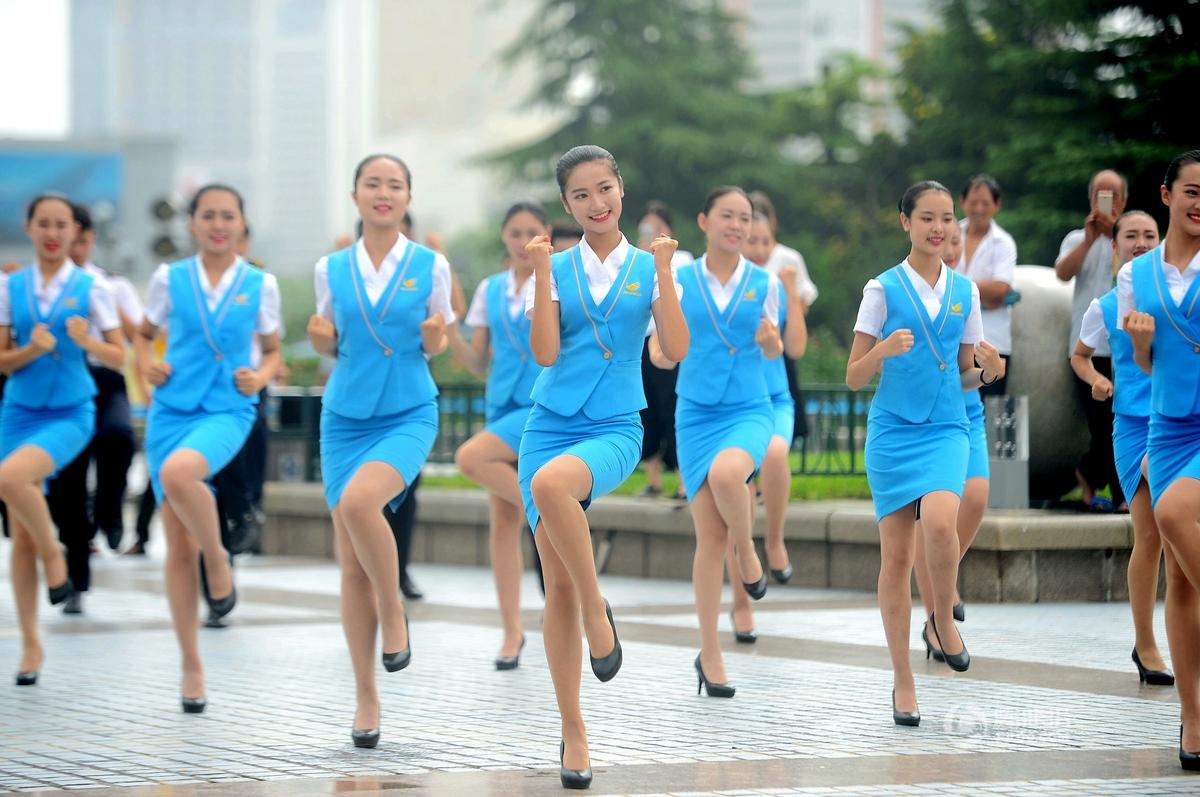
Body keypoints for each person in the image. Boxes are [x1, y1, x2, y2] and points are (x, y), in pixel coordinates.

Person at [521, 145, 688, 789]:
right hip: (548, 425)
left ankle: (598, 612)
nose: (597, 203)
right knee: (556, 586)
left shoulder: (650, 267)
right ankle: (574, 732)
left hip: (616, 426)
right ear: (567, 206)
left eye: (605, 188)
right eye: (581, 195)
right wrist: (541, 273)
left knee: (551, 486)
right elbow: (543, 354)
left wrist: (665, 273)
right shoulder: (554, 267)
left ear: (622, 189)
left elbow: (674, 348)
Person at [307, 154, 452, 750]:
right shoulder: (330, 267)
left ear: (407, 197)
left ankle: (393, 611)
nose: (383, 192)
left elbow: (440, 338)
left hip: (408, 411)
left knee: (360, 504)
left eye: (395, 184)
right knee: (349, 564)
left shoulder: (430, 264)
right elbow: (328, 341)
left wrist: (436, 337)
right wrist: (320, 340)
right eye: (373, 184)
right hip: (344, 417)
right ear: (356, 195)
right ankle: (366, 697)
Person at [846, 181, 1003, 726]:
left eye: (946, 218)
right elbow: (853, 375)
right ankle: (903, 680)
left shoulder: (966, 291)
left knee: (940, 521)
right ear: (906, 222)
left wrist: (989, 371)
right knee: (895, 559)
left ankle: (941, 617)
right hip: (893, 434)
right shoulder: (882, 289)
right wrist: (883, 350)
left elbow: (964, 374)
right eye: (927, 218)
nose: (938, 228)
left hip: (946, 428)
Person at [135, 184, 282, 713]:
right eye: (209, 216)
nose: (219, 225)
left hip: (227, 409)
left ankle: (217, 558)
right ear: (192, 223)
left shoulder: (260, 283)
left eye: (228, 216)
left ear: (241, 223)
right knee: (177, 546)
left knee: (179, 475)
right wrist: (147, 365)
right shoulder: (168, 278)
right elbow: (143, 335)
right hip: (170, 410)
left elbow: (273, 351)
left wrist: (259, 376)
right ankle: (191, 668)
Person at [650, 187, 797, 696]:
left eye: (744, 218)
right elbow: (661, 347)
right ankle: (709, 654)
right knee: (708, 539)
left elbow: (776, 349)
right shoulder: (679, 279)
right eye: (727, 216)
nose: (737, 225)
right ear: (704, 221)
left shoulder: (765, 282)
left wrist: (771, 343)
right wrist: (662, 353)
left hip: (749, 409)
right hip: (694, 415)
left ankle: (748, 548)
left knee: (728, 473)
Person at [1, 194, 124, 685]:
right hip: (18, 413)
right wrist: (31, 349)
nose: (53, 233)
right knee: (21, 534)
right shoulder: (10, 286)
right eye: (44, 223)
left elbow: (120, 357)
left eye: (61, 225)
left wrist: (86, 341)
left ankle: (56, 553)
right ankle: (31, 644)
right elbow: (1, 360)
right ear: (29, 227)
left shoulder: (94, 287)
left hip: (72, 411)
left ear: (75, 232)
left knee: (8, 479)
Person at [1117, 150, 1200, 770]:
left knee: (1170, 513)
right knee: (1180, 581)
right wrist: (1142, 342)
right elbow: (1144, 365)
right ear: (1168, 194)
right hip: (1166, 427)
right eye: (1192, 191)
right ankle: (1193, 720)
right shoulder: (1134, 275)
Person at [1072, 210, 1171, 685]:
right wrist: (1095, 379)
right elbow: (1079, 355)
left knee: (1160, 534)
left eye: (1149, 235)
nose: (1141, 243)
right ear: (1114, 247)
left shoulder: (1177, 298)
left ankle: (1155, 643)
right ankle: (1147, 643)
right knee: (1152, 535)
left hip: (1180, 422)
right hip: (1134, 429)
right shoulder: (1105, 306)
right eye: (1131, 235)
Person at [450, 200, 548, 669]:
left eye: (532, 232)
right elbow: (477, 361)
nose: (523, 241)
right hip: (500, 405)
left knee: (471, 458)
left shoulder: (556, 281)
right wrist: (449, 332)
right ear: (504, 237)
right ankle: (511, 632)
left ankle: (547, 512)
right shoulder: (490, 289)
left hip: (539, 406)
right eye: (515, 233)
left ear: (545, 235)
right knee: (501, 526)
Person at [45, 203, 142, 614]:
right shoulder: (37, 287)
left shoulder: (109, 286)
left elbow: (135, 338)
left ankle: (110, 510)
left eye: (81, 240)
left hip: (105, 382)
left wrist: (106, 313)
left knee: (118, 437)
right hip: (63, 385)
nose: (74, 248)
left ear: (88, 239)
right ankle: (76, 583)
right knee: (68, 482)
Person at [1056, 170, 1129, 510]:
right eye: (1100, 195)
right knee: (1102, 424)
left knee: (1122, 421)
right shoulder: (1076, 238)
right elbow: (1062, 273)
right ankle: (1118, 494)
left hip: (1129, 346)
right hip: (1087, 348)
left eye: (1113, 196)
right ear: (1091, 199)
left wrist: (1116, 232)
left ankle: (1092, 476)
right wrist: (1089, 239)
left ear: (1123, 201)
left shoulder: (1131, 238)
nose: (1107, 202)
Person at [748, 190, 818, 448]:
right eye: (752, 240)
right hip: (734, 383)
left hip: (775, 360)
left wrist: (789, 298)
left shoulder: (787, 262)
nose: (760, 249)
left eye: (765, 241)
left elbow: (797, 338)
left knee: (773, 449)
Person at [635, 201, 691, 499]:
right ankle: (653, 479)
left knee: (671, 408)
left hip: (667, 340)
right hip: (639, 344)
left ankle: (684, 481)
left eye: (657, 227)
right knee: (645, 410)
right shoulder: (635, 260)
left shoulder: (682, 259)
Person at [955, 175, 1017, 396]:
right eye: (973, 202)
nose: (979, 209)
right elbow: (934, 281)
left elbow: (1000, 289)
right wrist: (984, 294)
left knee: (988, 410)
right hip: (952, 342)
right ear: (962, 202)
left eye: (985, 203)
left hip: (992, 343)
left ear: (997, 205)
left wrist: (956, 289)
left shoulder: (1004, 242)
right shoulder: (949, 235)